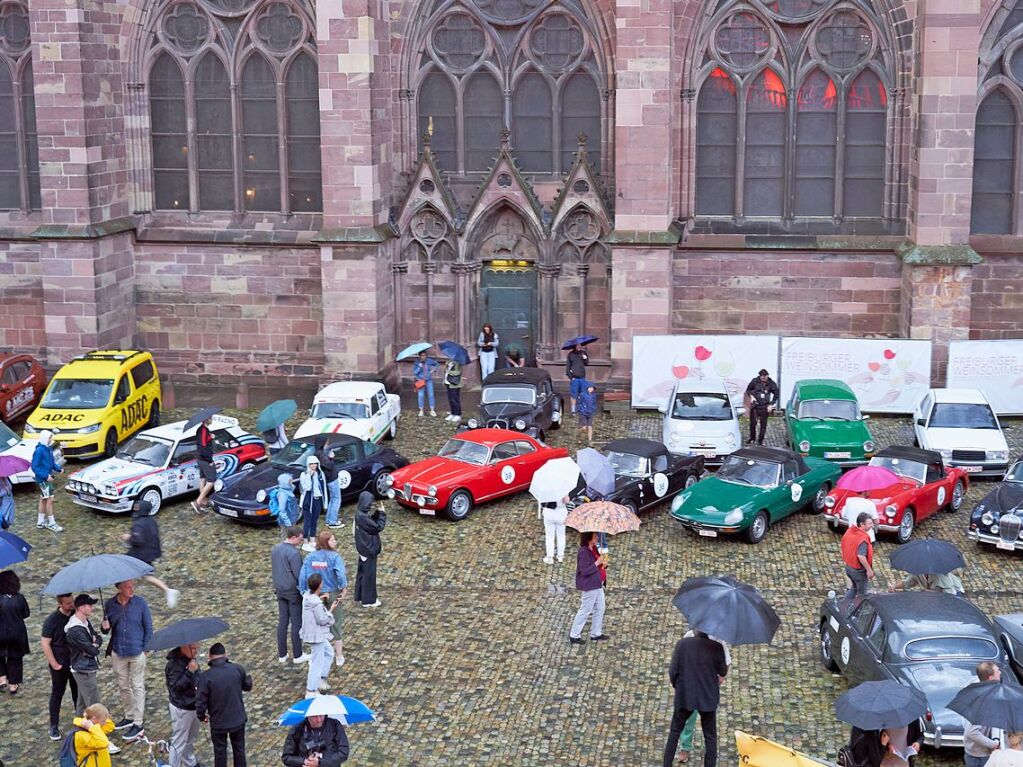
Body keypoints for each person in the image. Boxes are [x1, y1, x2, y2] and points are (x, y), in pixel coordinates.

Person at [662, 630, 729, 767]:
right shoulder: (717, 647)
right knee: (710, 736)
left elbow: (673, 671)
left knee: (675, 731)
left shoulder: (682, 644)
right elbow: (722, 671)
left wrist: (678, 687)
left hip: (685, 695)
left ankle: (667, 764)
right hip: (707, 696)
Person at [101, 579, 153, 741]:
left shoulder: (140, 603)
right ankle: (129, 715)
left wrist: (146, 649)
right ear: (119, 588)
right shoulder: (110, 605)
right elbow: (105, 630)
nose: (132, 589)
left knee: (137, 685)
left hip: (137, 651)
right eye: (128, 587)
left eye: (133, 586)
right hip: (118, 651)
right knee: (123, 686)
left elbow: (148, 627)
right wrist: (104, 627)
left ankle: (138, 723)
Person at [196, 642, 252, 767]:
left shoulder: (206, 677)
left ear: (210, 657)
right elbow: (247, 686)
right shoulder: (237, 669)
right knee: (239, 751)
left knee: (220, 753)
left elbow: (200, 701)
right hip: (238, 719)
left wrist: (201, 716)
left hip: (218, 723)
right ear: (225, 655)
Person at [298, 530, 348, 668]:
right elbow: (340, 574)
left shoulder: (310, 557)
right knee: (335, 623)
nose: (335, 542)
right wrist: (343, 588)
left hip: (316, 594)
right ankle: (338, 655)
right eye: (333, 540)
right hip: (332, 593)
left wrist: (303, 591)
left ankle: (319, 653)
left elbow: (303, 575)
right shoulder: (335, 557)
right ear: (326, 542)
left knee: (316, 624)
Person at [121, 499, 180, 607]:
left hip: (139, 555)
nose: (135, 509)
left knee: (127, 572)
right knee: (146, 576)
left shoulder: (138, 524)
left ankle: (127, 594)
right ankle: (167, 590)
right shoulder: (151, 520)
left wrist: (128, 537)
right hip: (148, 554)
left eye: (137, 507)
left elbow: (138, 540)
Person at [42, 592, 78, 739]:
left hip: (75, 662)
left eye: (72, 601)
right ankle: (54, 726)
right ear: (60, 604)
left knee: (78, 693)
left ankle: (80, 721)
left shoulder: (76, 614)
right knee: (57, 693)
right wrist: (54, 664)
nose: (71, 605)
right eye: (68, 603)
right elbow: (45, 643)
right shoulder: (52, 620)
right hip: (60, 663)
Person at [273, 526, 309, 665]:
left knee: (282, 621)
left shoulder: (275, 549)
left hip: (280, 590)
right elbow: (299, 575)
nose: (300, 542)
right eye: (299, 539)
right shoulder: (293, 554)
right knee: (296, 623)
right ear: (293, 537)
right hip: (292, 592)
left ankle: (282, 654)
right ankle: (298, 654)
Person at [300, 573, 341, 697]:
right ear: (319, 586)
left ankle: (321, 680)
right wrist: (331, 609)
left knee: (329, 653)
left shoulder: (307, 597)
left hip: (313, 633)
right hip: (316, 635)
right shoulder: (316, 603)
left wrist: (321, 598)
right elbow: (322, 620)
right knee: (316, 662)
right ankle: (311, 690)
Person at [165, 642, 204, 767]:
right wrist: (190, 672)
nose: (196, 651)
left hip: (194, 705)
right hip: (182, 708)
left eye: (197, 648)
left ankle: (190, 762)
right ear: (184, 647)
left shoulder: (191, 659)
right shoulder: (173, 665)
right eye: (194, 648)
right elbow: (176, 687)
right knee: (179, 741)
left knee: (190, 739)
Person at [65, 593, 104, 715]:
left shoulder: (85, 622)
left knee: (82, 702)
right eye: (89, 605)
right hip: (83, 669)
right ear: (81, 608)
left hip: (86, 667)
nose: (92, 608)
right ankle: (97, 729)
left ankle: (80, 727)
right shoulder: (76, 630)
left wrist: (95, 643)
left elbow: (98, 638)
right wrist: (94, 645)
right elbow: (92, 650)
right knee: (94, 702)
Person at [569, 531, 608, 644]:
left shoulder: (594, 548)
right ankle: (574, 634)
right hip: (590, 585)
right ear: (589, 537)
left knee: (600, 607)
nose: (597, 537)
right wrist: (597, 563)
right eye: (595, 536)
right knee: (585, 609)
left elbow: (599, 564)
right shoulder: (583, 552)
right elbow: (584, 570)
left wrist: (603, 563)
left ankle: (596, 633)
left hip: (597, 583)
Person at [965, 661, 1004, 767]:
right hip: (978, 757)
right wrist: (993, 744)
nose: (1000, 672)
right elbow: (971, 732)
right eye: (997, 671)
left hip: (986, 752)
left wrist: (996, 739)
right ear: (990, 678)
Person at [353, 491, 386, 607]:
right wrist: (381, 514)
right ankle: (369, 600)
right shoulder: (362, 516)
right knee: (369, 576)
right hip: (368, 549)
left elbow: (370, 523)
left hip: (363, 548)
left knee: (363, 573)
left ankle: (360, 596)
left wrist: (376, 513)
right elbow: (377, 527)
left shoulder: (360, 514)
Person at [281, 711, 350, 766]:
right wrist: (305, 761)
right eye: (314, 716)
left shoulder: (334, 725)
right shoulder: (297, 730)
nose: (319, 719)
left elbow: (343, 752)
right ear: (307, 715)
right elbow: (287, 758)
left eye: (321, 715)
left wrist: (320, 762)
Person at [0, 570, 29, 695]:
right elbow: (26, 613)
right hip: (17, 633)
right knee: (15, 658)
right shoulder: (20, 598)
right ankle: (13, 684)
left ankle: (1, 678)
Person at [32, 429, 63, 531]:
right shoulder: (39, 451)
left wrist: (59, 469)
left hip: (45, 479)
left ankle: (40, 522)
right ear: (45, 438)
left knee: (44, 499)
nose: (51, 439)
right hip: (43, 480)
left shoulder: (48, 449)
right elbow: (35, 467)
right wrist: (46, 476)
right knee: (50, 499)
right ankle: (51, 523)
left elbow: (52, 463)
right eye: (50, 437)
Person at [841, 512, 875, 599]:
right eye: (870, 523)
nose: (872, 525)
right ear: (862, 524)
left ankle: (844, 605)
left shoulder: (850, 531)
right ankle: (856, 611)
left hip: (849, 568)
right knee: (862, 595)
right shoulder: (862, 539)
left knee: (854, 588)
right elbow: (861, 556)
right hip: (858, 572)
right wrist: (869, 570)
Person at [72, 703, 116, 767]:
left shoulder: (95, 726)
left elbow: (110, 726)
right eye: (103, 721)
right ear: (94, 719)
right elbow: (103, 743)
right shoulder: (81, 735)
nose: (105, 723)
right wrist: (92, 727)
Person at [299, 456, 328, 551]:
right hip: (307, 500)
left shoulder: (319, 473)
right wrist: (309, 476)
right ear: (308, 464)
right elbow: (306, 488)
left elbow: (323, 487)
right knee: (307, 521)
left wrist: (324, 502)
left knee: (314, 520)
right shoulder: (304, 474)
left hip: (317, 499)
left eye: (315, 463)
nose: (314, 465)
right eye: (311, 464)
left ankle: (312, 539)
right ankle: (305, 541)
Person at [744, 369, 778, 445]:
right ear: (760, 376)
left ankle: (760, 441)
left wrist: (771, 404)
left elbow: (776, 393)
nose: (764, 378)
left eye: (765, 376)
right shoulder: (755, 381)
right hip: (755, 406)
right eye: (762, 376)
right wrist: (751, 396)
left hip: (764, 406)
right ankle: (752, 438)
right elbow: (748, 389)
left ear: (767, 375)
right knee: (753, 424)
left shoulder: (770, 383)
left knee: (763, 425)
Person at [191, 416, 217, 513]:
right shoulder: (203, 431)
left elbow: (204, 441)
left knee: (203, 479)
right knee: (211, 481)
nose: (212, 419)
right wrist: (209, 460)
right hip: (205, 460)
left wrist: (210, 437)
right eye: (211, 418)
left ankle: (202, 502)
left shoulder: (202, 430)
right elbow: (203, 447)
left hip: (200, 459)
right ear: (207, 419)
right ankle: (197, 502)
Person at [315, 439, 342, 529]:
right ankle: (333, 521)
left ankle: (329, 519)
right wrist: (331, 457)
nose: (327, 445)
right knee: (336, 499)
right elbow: (329, 466)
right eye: (326, 443)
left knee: (333, 500)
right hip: (331, 479)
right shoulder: (321, 454)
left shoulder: (318, 453)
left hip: (329, 478)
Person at [540, 496, 568, 565]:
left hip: (548, 512)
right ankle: (560, 556)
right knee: (561, 535)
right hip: (561, 512)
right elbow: (567, 500)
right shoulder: (562, 487)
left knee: (549, 536)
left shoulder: (545, 487)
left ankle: (549, 557)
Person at [889, 570, 964, 596]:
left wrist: (930, 592)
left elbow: (950, 595)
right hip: (934, 595)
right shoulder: (917, 571)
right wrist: (894, 587)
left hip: (955, 593)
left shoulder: (942, 575)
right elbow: (907, 583)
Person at [412, 350, 439, 417]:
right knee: (421, 395)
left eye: (424, 355)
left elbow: (437, 364)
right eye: (422, 356)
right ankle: (421, 410)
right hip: (420, 380)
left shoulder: (429, 361)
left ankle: (432, 410)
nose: (423, 357)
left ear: (426, 356)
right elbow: (415, 372)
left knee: (431, 394)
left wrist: (433, 370)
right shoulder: (417, 363)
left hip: (428, 380)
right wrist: (419, 367)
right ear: (419, 356)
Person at [271, 474, 299, 539]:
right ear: (285, 482)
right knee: (286, 536)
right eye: (290, 481)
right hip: (286, 521)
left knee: (291, 536)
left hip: (291, 518)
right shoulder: (282, 494)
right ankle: (284, 548)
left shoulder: (288, 490)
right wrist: (288, 522)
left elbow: (292, 488)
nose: (291, 482)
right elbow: (281, 510)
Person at [566, 344, 589, 414]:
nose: (579, 347)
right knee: (573, 394)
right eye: (578, 345)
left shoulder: (583, 353)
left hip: (582, 377)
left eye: (580, 345)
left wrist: (585, 358)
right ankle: (573, 410)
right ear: (574, 346)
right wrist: (571, 377)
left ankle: (581, 408)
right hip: (574, 378)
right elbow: (568, 367)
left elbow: (586, 363)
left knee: (582, 394)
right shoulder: (570, 354)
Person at [443, 358, 463, 423]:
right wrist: (446, 366)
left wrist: (448, 370)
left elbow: (457, 372)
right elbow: (445, 371)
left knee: (455, 399)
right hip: (448, 383)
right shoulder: (449, 361)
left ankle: (458, 414)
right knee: (450, 399)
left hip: (454, 384)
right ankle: (453, 413)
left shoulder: (458, 362)